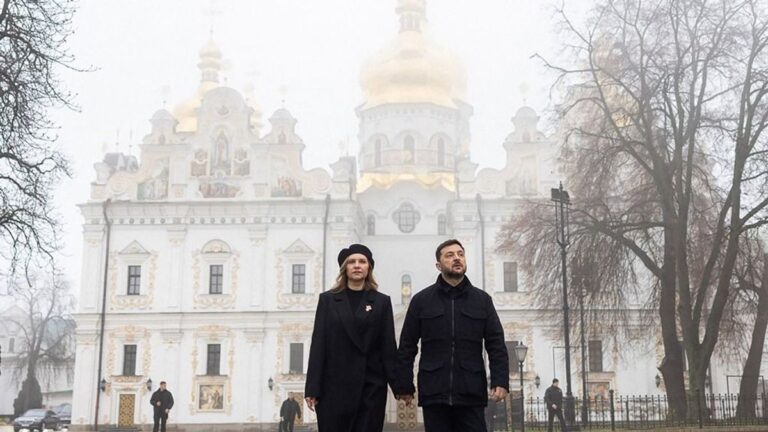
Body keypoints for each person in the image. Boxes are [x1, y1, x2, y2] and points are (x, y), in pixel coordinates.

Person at [396, 239, 509, 432]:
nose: (457, 258)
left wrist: (500, 380)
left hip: (471, 389)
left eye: (460, 254)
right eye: (449, 255)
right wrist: (404, 385)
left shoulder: (481, 300)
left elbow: (495, 342)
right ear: (439, 265)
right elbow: (407, 345)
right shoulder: (422, 301)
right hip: (434, 390)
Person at [305, 244, 398, 432]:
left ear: (368, 268)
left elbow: (388, 347)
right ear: (344, 268)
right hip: (333, 388)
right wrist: (312, 388)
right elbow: (318, 345)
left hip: (370, 387)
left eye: (362, 262)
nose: (357, 266)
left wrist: (401, 386)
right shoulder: (328, 300)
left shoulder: (381, 302)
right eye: (352, 262)